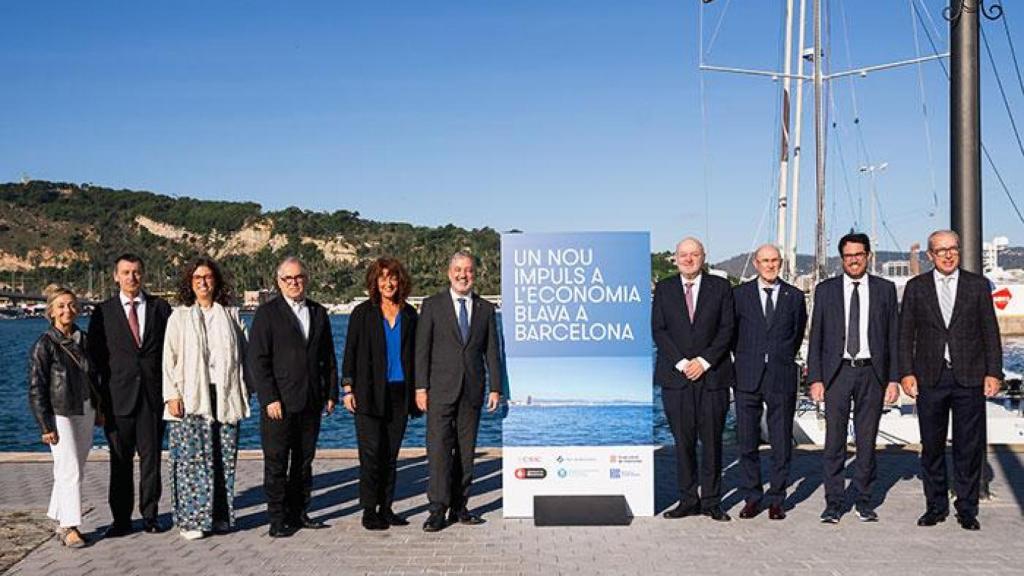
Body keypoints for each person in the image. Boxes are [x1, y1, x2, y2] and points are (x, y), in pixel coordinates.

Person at [899, 230, 1002, 531]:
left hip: (969, 376)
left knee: (968, 447)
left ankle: (967, 508)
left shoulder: (977, 286)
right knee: (931, 446)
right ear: (930, 255)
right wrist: (906, 372)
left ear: (959, 251)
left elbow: (990, 333)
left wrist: (993, 372)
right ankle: (935, 506)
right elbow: (905, 334)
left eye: (953, 249)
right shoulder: (916, 287)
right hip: (930, 377)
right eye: (940, 250)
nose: (947, 255)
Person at [806, 232, 900, 524]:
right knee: (834, 441)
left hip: (872, 373)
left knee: (866, 440)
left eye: (859, 254)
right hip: (837, 373)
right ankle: (833, 502)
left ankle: (864, 499)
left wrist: (893, 379)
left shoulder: (885, 290)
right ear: (842, 258)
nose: (854, 260)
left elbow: (893, 337)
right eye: (848, 256)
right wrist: (816, 378)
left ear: (868, 255)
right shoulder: (825, 290)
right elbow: (816, 337)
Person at [247, 256, 338, 538]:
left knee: (303, 462)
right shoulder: (267, 314)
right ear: (279, 282)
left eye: (299, 277)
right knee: (276, 462)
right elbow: (257, 360)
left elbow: (328, 357)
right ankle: (276, 518)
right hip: (279, 404)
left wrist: (331, 393)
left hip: (310, 400)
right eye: (288, 279)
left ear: (306, 279)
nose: (294, 283)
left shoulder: (319, 312)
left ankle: (299, 513)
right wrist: (269, 398)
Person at [163, 257, 250, 540]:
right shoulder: (179, 317)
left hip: (224, 395)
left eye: (208, 277)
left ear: (216, 281)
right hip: (190, 396)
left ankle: (221, 516)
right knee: (191, 460)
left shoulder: (231, 315)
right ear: (190, 283)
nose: (203, 282)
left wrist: (246, 388)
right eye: (197, 278)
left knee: (224, 458)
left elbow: (246, 356)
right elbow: (169, 359)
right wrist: (171, 395)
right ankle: (192, 521)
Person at [415, 250, 503, 532]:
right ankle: (437, 510)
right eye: (458, 270)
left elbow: (492, 351)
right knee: (439, 451)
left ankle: (460, 506)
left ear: (474, 274)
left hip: (473, 391)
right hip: (439, 390)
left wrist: (496, 387)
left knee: (466, 452)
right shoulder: (432, 305)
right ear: (449, 273)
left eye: (468, 270)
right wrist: (420, 388)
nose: (463, 275)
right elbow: (421, 351)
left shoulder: (486, 309)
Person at [88, 253, 173, 536]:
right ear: (116, 276)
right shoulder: (103, 312)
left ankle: (150, 516)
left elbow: (171, 353)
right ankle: (121, 520)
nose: (131, 277)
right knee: (119, 461)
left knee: (152, 461)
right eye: (125, 272)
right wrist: (99, 402)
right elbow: (96, 359)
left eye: (136, 272)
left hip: (152, 398)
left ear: (143, 274)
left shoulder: (161, 308)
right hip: (117, 398)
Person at [652, 237, 735, 522]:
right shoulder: (664, 288)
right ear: (675, 258)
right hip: (676, 380)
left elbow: (727, 329)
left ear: (703, 257)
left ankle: (712, 501)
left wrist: (703, 362)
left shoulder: (721, 288)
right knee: (683, 442)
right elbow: (659, 331)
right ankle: (688, 499)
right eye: (683, 255)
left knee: (712, 442)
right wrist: (683, 363)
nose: (688, 259)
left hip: (713, 378)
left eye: (694, 254)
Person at [342, 257, 419, 530]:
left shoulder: (410, 314)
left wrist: (421, 390)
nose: (388, 283)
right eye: (382, 278)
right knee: (371, 453)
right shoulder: (362, 313)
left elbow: (417, 356)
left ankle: (387, 507)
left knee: (390, 454)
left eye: (393, 277)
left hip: (400, 393)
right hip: (368, 393)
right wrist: (347, 388)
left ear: (400, 281)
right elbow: (349, 351)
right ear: (375, 282)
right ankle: (368, 510)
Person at [731, 244, 807, 521]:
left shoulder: (794, 296)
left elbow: (797, 334)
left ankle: (777, 498)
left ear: (781, 263)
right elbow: (731, 334)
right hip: (747, 377)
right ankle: (752, 497)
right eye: (765, 261)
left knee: (781, 442)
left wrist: (780, 357)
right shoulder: (739, 295)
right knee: (747, 442)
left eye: (774, 260)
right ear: (755, 263)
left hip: (781, 375)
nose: (770, 265)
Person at [28, 285, 104, 548]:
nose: (67, 310)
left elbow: (95, 377)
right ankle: (69, 527)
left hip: (85, 408)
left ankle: (58, 516)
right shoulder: (44, 344)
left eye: (71, 305)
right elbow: (37, 388)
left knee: (74, 468)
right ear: (51, 311)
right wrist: (45, 424)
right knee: (69, 467)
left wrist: (99, 408)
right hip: (60, 412)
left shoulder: (83, 339)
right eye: (61, 306)